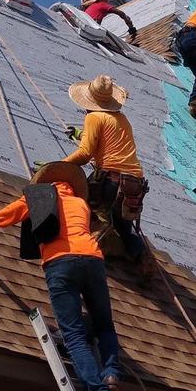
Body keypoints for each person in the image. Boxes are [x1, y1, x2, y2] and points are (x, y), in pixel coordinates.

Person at [0, 162, 122, 391]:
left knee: (73, 335)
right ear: (72, 186)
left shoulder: (37, 198)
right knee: (104, 324)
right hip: (93, 260)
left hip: (61, 263)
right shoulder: (81, 205)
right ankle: (111, 375)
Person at [62, 75, 148, 267]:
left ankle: (89, 254)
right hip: (134, 183)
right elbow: (109, 140)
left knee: (91, 213)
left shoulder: (93, 117)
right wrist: (79, 134)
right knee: (124, 226)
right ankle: (141, 255)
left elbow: (85, 153)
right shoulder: (122, 118)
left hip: (110, 180)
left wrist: (59, 165)